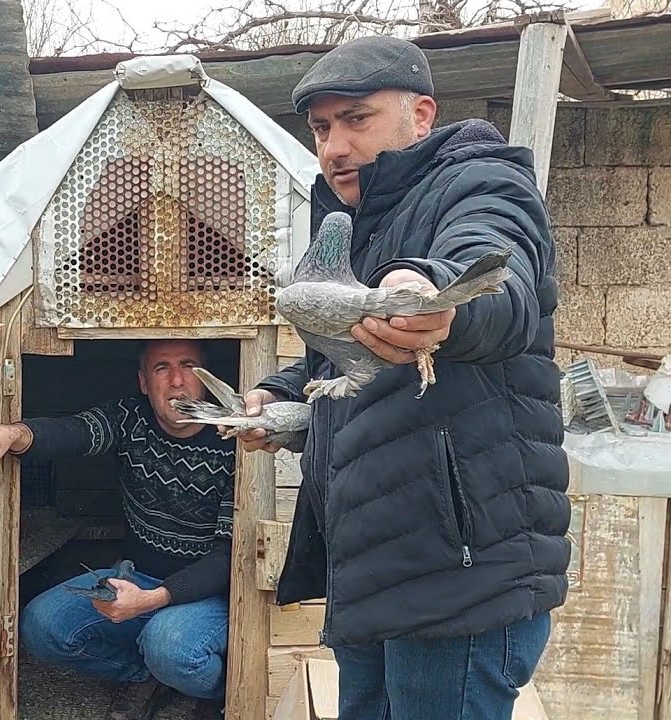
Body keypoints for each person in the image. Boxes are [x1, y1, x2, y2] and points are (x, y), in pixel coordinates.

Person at [236, 35, 571, 720]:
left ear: (421, 116)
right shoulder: (356, 222)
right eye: (323, 128)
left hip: (458, 576)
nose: (333, 147)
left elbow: (494, 274)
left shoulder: (480, 180)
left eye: (356, 119)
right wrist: (284, 396)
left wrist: (435, 298)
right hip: (372, 566)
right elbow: (346, 355)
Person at [0, 339, 235, 720]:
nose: (177, 380)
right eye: (162, 368)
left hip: (207, 595)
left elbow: (228, 556)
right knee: (42, 626)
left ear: (207, 380)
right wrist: (14, 435)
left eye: (189, 366)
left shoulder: (232, 439)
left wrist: (153, 600)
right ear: (144, 383)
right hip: (136, 577)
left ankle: (219, 687)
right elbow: (75, 431)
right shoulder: (131, 419)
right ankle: (151, 675)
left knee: (170, 645)